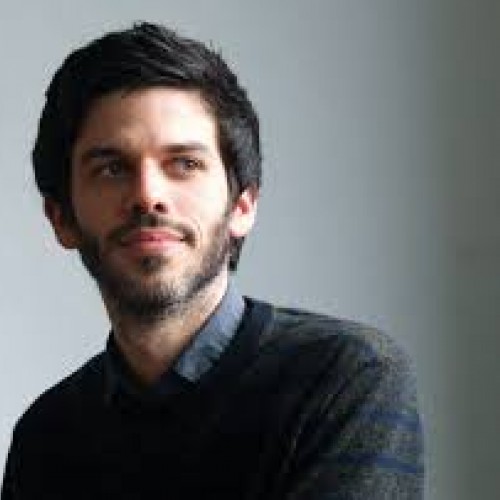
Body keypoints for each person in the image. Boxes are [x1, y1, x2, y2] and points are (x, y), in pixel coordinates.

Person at [1, 22, 424, 499]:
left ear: (242, 206)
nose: (148, 195)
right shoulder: (46, 436)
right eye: (111, 168)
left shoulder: (346, 378)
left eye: (185, 164)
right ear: (61, 218)